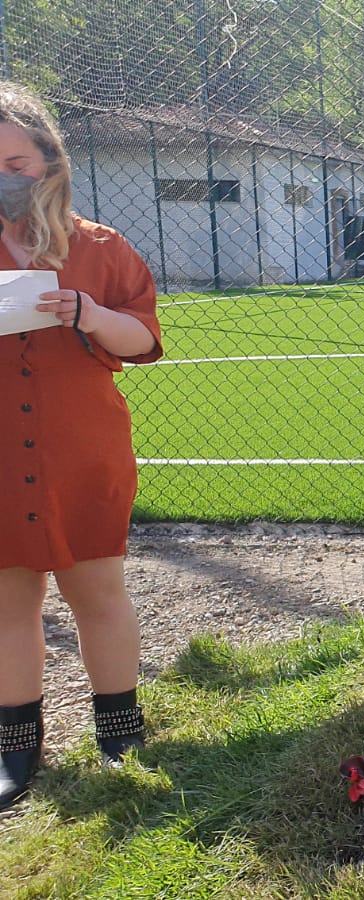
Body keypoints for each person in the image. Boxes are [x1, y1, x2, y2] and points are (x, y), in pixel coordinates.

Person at [0, 82, 162, 810]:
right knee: (8, 600)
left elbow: (144, 339)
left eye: (14, 161)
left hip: (83, 450)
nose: (5, 179)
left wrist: (90, 312)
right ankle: (14, 749)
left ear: (49, 163)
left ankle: (120, 730)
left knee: (98, 591)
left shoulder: (100, 247)